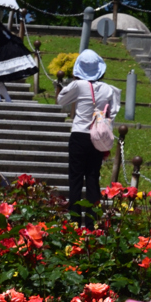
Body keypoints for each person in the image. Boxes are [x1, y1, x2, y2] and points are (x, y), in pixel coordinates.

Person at [56, 50, 122, 227]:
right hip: (97, 137)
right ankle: (93, 223)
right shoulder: (108, 89)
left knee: (75, 179)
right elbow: (113, 112)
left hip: (79, 134)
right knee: (93, 178)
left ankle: (74, 222)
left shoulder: (78, 85)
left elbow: (61, 100)